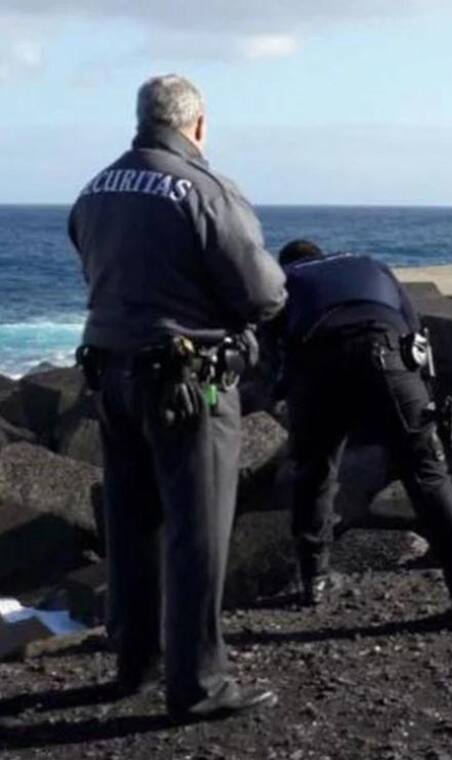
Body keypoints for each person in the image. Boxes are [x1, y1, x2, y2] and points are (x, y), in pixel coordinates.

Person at [68, 74, 285, 721]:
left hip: (111, 376)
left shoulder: (95, 188)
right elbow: (264, 292)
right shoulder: (206, 190)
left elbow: (91, 261)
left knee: (133, 528)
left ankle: (136, 663)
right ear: (197, 124)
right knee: (198, 532)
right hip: (188, 386)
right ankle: (199, 684)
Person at [274, 239, 452, 627]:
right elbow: (414, 330)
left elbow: (275, 345)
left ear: (289, 261)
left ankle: (314, 580)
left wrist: (283, 393)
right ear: (321, 253)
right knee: (427, 474)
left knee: (315, 472)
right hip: (385, 353)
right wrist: (426, 398)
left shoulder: (285, 278)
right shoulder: (369, 263)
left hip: (317, 364)